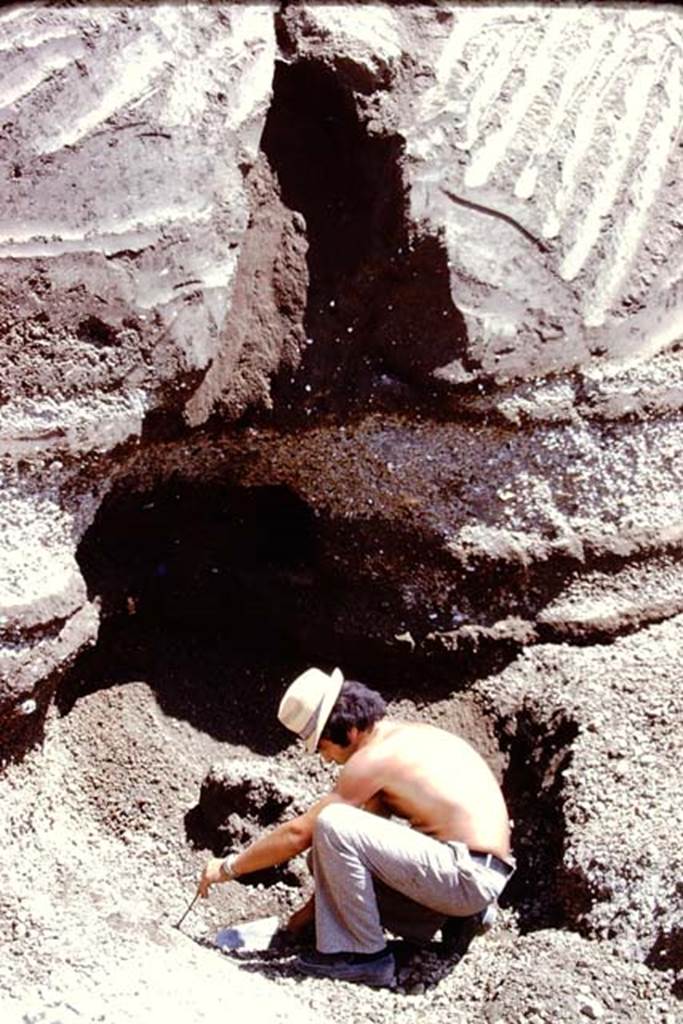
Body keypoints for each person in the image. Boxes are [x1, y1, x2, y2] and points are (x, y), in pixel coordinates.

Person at [198, 666, 514, 988]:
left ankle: (363, 957)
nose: (325, 760)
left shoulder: (373, 759)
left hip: (464, 876)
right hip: (476, 874)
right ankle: (457, 917)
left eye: (322, 747)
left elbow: (299, 834)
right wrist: (298, 927)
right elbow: (349, 866)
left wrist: (227, 867)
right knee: (326, 849)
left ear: (347, 732)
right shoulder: (409, 737)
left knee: (331, 822)